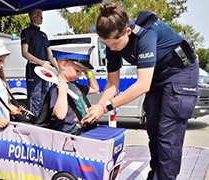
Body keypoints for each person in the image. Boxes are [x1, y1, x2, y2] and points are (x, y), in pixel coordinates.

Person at [82, 2, 199, 180]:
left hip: (180, 73)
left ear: (127, 31)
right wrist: (97, 107)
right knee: (153, 131)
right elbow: (112, 84)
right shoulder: (112, 43)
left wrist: (105, 107)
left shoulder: (146, 35)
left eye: (115, 44)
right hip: (157, 75)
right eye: (107, 44)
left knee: (168, 137)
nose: (112, 48)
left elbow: (143, 84)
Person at [48, 44, 99, 134]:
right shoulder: (56, 89)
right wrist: (62, 91)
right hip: (68, 136)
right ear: (63, 64)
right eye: (77, 71)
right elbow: (60, 114)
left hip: (82, 132)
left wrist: (88, 71)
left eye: (82, 71)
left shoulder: (75, 85)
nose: (80, 74)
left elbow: (95, 89)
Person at [21, 9, 58, 118]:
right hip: (34, 69)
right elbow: (24, 52)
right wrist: (40, 62)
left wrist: (59, 69)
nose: (41, 17)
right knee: (35, 97)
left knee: (45, 96)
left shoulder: (43, 35)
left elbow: (50, 55)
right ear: (31, 16)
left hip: (45, 70)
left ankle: (43, 120)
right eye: (38, 15)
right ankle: (35, 121)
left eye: (41, 15)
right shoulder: (27, 32)